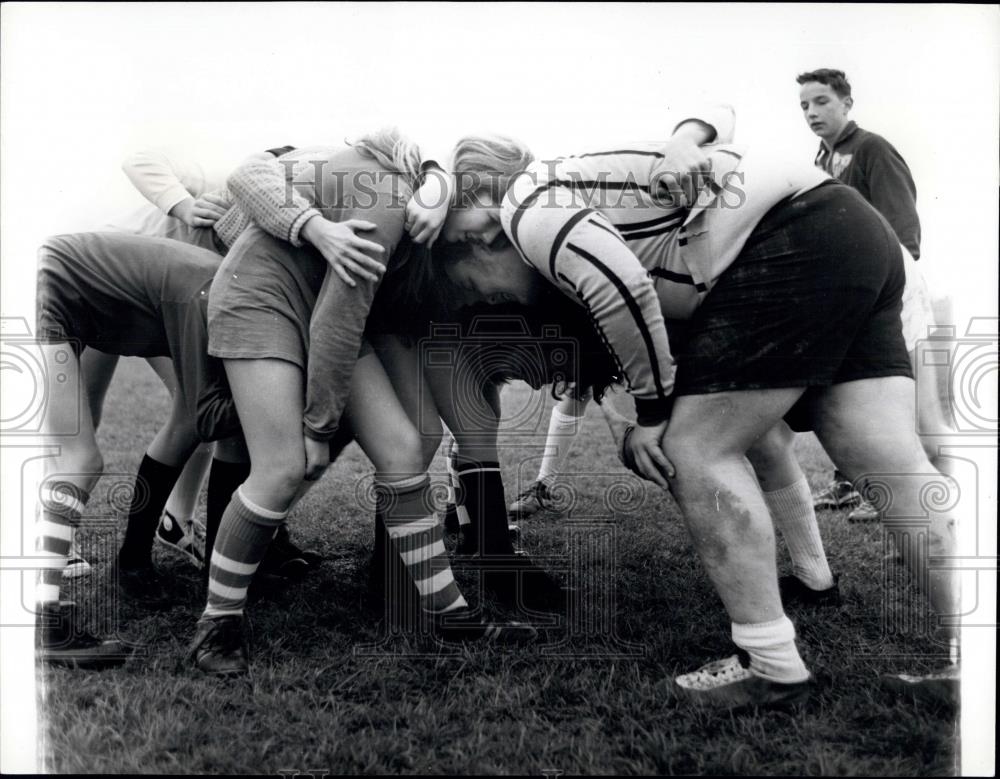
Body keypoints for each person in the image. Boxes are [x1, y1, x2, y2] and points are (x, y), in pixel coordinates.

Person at [434, 131, 958, 708]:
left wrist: (655, 414)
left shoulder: (524, 209)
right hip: (850, 226)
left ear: (480, 243)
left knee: (694, 451)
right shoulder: (583, 206)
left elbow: (623, 288)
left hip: (790, 234)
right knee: (890, 463)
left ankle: (771, 663)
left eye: (472, 289)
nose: (487, 302)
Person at [187, 130, 535, 676]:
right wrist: (320, 428)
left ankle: (450, 616)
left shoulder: (427, 216)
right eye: (488, 224)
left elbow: (344, 315)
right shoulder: (393, 204)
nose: (486, 240)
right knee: (282, 467)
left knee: (402, 450)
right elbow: (336, 321)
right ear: (460, 192)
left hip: (320, 307)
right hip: (262, 297)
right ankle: (216, 623)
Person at [33, 231, 243, 667]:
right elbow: (209, 415)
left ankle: (129, 564)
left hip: (59, 292)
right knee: (80, 459)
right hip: (44, 293)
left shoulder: (218, 286)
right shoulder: (205, 292)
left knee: (183, 414)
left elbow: (195, 411)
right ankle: (41, 622)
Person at [797, 68, 956, 523]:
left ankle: (919, 490)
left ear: (847, 103)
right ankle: (849, 485)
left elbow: (904, 230)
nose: (812, 112)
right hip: (852, 294)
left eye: (822, 101)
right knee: (850, 390)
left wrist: (882, 288)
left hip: (891, 289)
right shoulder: (820, 159)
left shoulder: (872, 148)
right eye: (805, 105)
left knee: (897, 399)